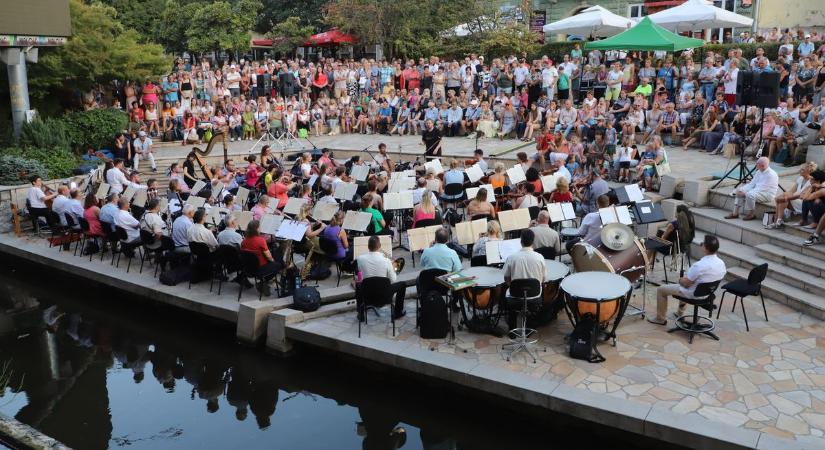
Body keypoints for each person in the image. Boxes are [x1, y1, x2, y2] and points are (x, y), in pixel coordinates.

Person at [648, 235, 726, 325]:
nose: (701, 245)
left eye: (702, 244)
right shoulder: (721, 263)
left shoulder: (699, 265)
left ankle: (660, 319)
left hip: (693, 293)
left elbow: (686, 284)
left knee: (661, 289)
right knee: (687, 285)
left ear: (706, 248)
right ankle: (679, 313)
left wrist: (680, 280)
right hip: (708, 293)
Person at [355, 236, 407, 320]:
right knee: (403, 284)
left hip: (368, 296)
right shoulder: (386, 261)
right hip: (385, 296)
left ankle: (360, 313)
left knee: (358, 285)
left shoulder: (360, 259)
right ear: (379, 246)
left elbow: (362, 277)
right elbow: (393, 280)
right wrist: (392, 268)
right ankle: (398, 312)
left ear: (368, 246)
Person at [766, 162, 816, 229]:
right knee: (783, 197)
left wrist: (785, 198)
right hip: (795, 200)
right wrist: (785, 195)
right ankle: (778, 221)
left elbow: (800, 196)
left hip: (804, 203)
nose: (799, 171)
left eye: (802, 170)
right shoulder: (800, 179)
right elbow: (791, 191)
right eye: (800, 169)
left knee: (783, 199)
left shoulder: (812, 182)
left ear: (809, 171)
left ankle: (776, 221)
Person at [241, 220, 282, 296]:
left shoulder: (244, 241)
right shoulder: (261, 240)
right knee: (278, 265)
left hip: (247, 269)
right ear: (256, 229)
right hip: (260, 269)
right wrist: (273, 261)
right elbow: (269, 257)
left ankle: (263, 283)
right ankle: (263, 282)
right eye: (259, 227)